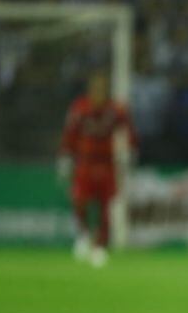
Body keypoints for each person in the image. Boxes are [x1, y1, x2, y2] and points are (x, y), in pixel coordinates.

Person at [58, 72, 137, 268]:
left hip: (107, 163)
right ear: (90, 90)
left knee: (106, 206)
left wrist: (129, 151)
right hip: (85, 162)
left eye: (102, 89)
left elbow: (128, 130)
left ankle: (101, 245)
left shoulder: (116, 109)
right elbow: (70, 133)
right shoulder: (80, 108)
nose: (99, 93)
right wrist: (65, 156)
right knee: (79, 201)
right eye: (96, 89)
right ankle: (84, 235)